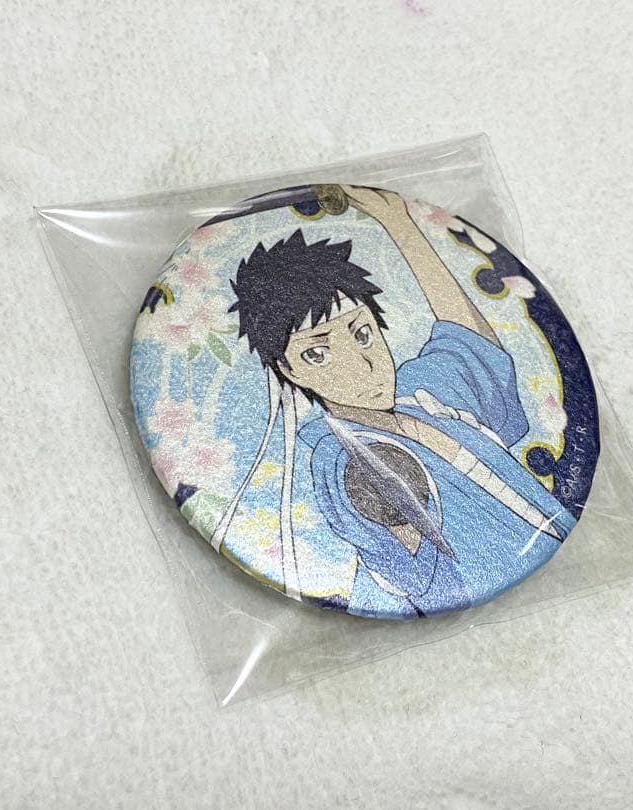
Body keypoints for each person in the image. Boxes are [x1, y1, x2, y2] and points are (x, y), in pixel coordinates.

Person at [227, 186, 575, 617]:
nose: (363, 366)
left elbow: (471, 344)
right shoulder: (342, 458)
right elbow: (400, 544)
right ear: (289, 369)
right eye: (318, 353)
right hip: (499, 612)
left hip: (552, 558)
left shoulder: (418, 397)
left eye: (363, 334)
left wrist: (402, 227)